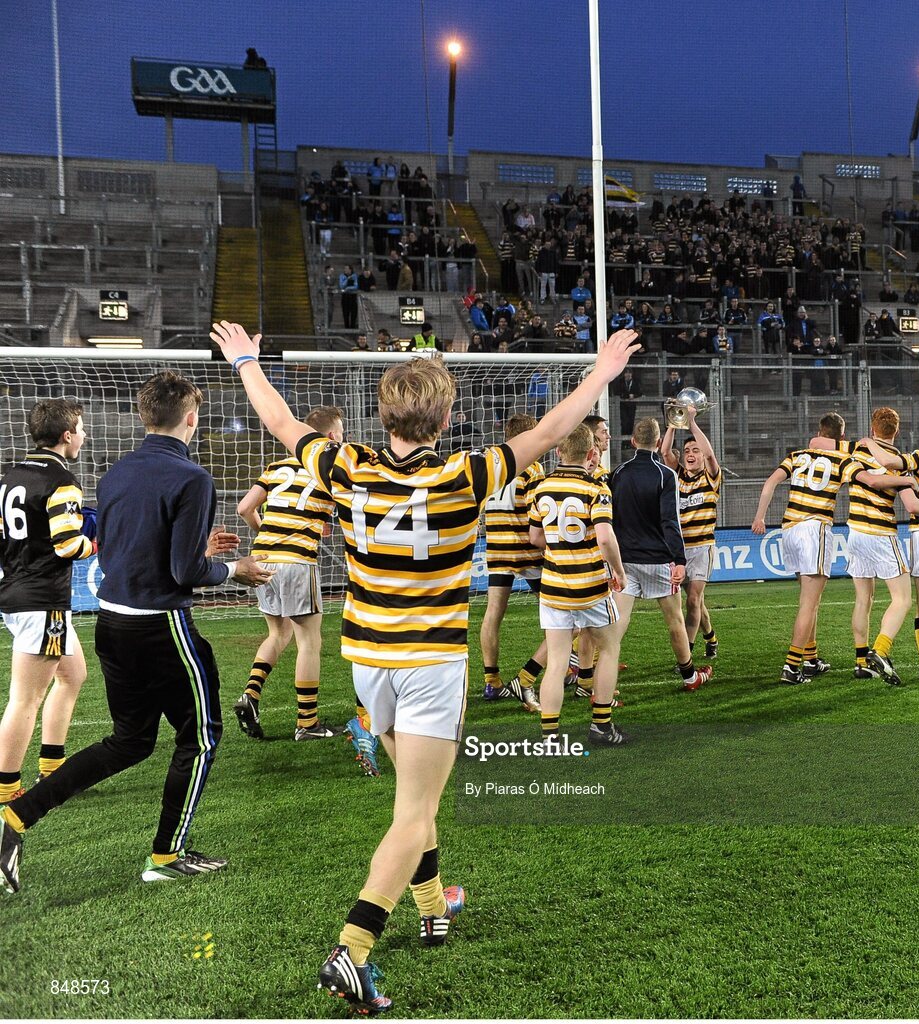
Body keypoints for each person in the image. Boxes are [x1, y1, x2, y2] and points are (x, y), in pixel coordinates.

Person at [208, 320, 640, 1012]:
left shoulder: (345, 464)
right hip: (431, 664)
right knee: (416, 808)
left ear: (385, 414)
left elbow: (280, 419)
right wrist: (600, 374)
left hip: (369, 662)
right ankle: (351, 949)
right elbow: (552, 432)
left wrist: (246, 361)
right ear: (445, 416)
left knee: (417, 803)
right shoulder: (467, 471)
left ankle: (435, 905)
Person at [0, 371, 272, 894]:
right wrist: (234, 568)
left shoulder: (115, 474)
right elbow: (185, 574)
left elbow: (133, 548)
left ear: (145, 416)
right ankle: (166, 854)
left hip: (112, 623)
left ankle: (13, 819)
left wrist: (199, 550)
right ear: (191, 417)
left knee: (130, 741)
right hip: (162, 627)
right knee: (201, 736)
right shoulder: (193, 477)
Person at [750, 412, 913, 685]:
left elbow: (771, 482)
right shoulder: (846, 458)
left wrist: (759, 516)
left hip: (789, 528)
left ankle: (812, 659)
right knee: (810, 604)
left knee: (817, 600)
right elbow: (871, 480)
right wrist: (906, 480)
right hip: (820, 529)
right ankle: (792, 667)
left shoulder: (797, 454)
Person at [233, 407, 356, 745]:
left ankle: (250, 695)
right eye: (341, 433)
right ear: (331, 437)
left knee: (278, 632)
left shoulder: (276, 467)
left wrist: (268, 538)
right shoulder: (332, 470)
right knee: (309, 641)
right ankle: (307, 722)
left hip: (264, 558)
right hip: (297, 560)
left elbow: (244, 508)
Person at [0, 400, 95, 806]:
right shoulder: (62, 480)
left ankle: (53, 768)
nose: (84, 435)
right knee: (25, 698)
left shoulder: (8, 474)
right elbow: (69, 545)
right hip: (42, 600)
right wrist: (96, 543)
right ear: (67, 435)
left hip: (17, 591)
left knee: (73, 676)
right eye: (81, 429)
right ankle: (7, 789)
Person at [845, 408, 919, 687]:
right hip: (881, 532)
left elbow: (821, 445)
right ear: (896, 431)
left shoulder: (856, 453)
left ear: (873, 428)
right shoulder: (899, 463)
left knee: (863, 600)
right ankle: (880, 651)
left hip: (854, 531)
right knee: (903, 599)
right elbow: (911, 504)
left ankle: (862, 662)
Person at [529, 424, 629, 744]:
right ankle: (601, 725)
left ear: (558, 451)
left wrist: (560, 550)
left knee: (557, 662)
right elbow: (604, 536)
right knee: (609, 649)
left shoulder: (541, 488)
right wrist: (619, 570)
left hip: (554, 587)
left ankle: (550, 736)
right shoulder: (596, 488)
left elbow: (535, 538)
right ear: (590, 455)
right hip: (591, 586)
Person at [610, 417, 712, 693]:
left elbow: (611, 518)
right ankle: (690, 677)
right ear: (657, 443)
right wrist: (679, 560)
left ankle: (603, 683)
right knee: (675, 621)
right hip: (657, 560)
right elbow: (670, 521)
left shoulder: (617, 473)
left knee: (618, 625)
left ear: (632, 441)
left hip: (625, 560)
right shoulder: (666, 475)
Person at [480, 413, 547, 714]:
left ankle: (491, 680)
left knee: (493, 614)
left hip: (497, 550)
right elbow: (539, 514)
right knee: (564, 616)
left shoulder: (492, 467)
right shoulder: (532, 468)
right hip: (529, 552)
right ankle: (529, 676)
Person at [666, 405, 721, 658]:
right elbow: (665, 451)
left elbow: (710, 455)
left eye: (694, 450)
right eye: (686, 450)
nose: (690, 453)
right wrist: (673, 422)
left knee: (692, 600)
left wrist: (692, 423)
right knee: (694, 601)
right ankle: (710, 635)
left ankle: (686, 654)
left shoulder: (711, 477)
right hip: (679, 549)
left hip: (702, 548)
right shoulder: (677, 475)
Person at [339, 265, 359, 330]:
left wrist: (348, 288)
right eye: (344, 268)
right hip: (345, 298)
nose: (345, 270)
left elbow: (356, 286)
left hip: (353, 298)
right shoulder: (342, 276)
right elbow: (342, 286)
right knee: (345, 314)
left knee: (353, 314)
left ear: (350, 270)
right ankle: (346, 329)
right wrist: (347, 279)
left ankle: (353, 329)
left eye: (346, 268)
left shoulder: (354, 276)